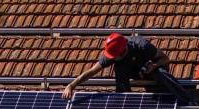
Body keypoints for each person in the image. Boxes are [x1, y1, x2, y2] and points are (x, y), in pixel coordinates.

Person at [61, 33, 192, 104]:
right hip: (132, 72)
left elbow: (165, 59)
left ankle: (188, 102)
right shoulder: (112, 55)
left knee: (162, 74)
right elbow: (91, 72)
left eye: (114, 56)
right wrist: (71, 86)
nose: (112, 58)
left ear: (123, 51)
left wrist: (154, 66)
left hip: (151, 68)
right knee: (120, 70)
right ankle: (126, 104)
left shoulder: (142, 45)